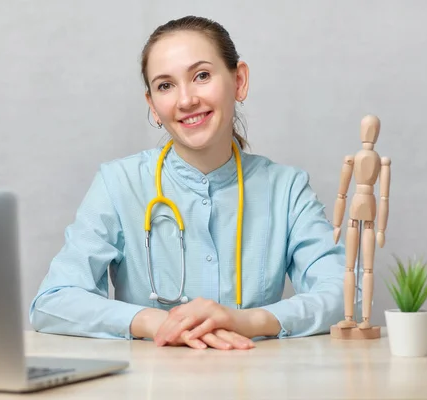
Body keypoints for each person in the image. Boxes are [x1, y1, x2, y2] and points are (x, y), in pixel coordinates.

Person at [30, 15, 346, 350]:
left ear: (239, 81)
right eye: (165, 85)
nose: (186, 100)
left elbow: (345, 294)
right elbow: (53, 301)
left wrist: (247, 320)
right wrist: (153, 322)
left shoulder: (287, 189)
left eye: (202, 76)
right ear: (152, 105)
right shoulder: (118, 183)